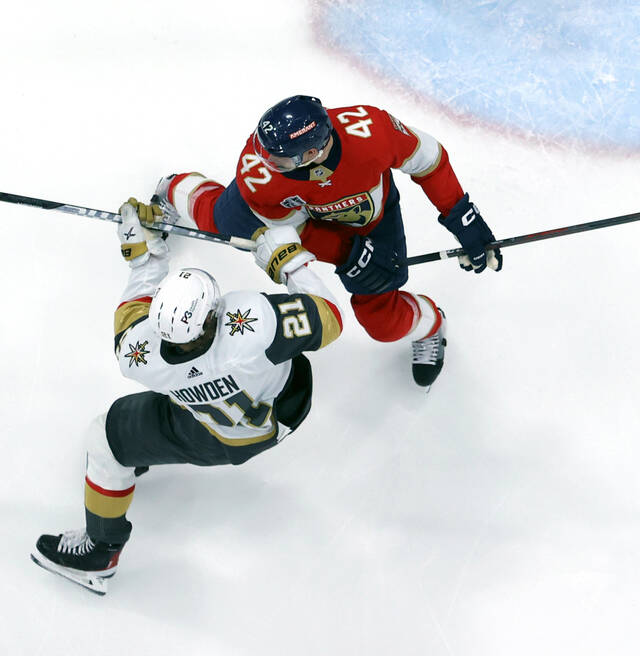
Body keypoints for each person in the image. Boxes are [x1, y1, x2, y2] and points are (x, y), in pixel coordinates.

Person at [31, 198, 343, 595]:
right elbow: (330, 316)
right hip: (280, 409)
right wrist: (287, 260)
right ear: (214, 315)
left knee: (105, 441)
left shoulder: (137, 356)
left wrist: (144, 253)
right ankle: (103, 549)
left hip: (205, 430)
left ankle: (102, 546)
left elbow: (134, 304)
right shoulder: (258, 325)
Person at [153, 94, 500, 388]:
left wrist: (461, 216)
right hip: (303, 218)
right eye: (266, 152)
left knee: (380, 321)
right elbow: (292, 233)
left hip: (373, 220)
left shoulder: (371, 130)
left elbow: (429, 160)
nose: (265, 162)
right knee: (218, 221)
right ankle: (173, 188)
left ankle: (432, 323)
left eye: (278, 159)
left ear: (314, 151)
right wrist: (348, 254)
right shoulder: (260, 174)